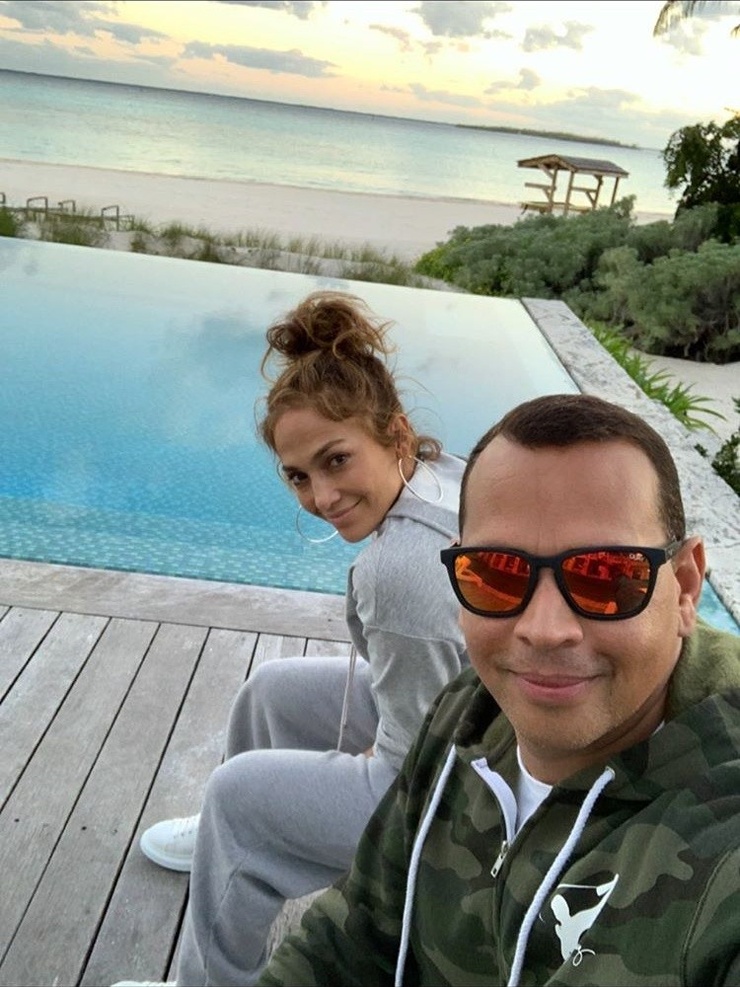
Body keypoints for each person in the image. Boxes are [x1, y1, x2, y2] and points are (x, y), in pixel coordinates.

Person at [259, 392, 740, 987]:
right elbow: (353, 932)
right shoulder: (467, 712)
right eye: (497, 573)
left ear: (686, 587)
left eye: (606, 575)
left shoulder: (722, 843)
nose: (544, 629)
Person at [119, 290, 468, 986]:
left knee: (240, 797)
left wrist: (368, 752)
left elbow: (412, 770)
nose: (321, 497)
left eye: (337, 460)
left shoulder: (400, 568)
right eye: (299, 476)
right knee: (271, 691)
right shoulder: (442, 473)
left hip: (460, 800)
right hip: (465, 716)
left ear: (396, 436)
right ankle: (223, 848)